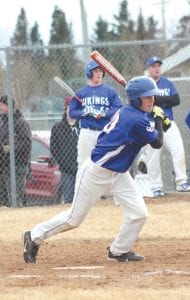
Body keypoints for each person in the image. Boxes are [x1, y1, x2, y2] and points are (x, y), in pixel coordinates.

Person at [22, 76, 167, 264]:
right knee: (73, 219)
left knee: (139, 214)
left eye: (152, 97)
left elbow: (149, 126)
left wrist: (156, 119)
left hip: (118, 173)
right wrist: (159, 120)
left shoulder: (131, 111)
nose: (152, 100)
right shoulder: (135, 119)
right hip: (96, 172)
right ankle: (33, 236)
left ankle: (118, 251)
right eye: (147, 97)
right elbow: (157, 142)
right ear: (136, 99)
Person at [144, 56, 190, 197]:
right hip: (151, 123)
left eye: (159, 65)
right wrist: (163, 100)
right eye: (153, 66)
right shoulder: (144, 83)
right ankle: (156, 187)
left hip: (167, 122)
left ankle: (181, 182)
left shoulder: (167, 83)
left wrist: (158, 101)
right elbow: (144, 103)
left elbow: (176, 100)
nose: (157, 68)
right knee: (153, 156)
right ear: (148, 69)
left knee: (178, 149)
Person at [69, 60, 122, 168]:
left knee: (106, 162)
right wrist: (85, 112)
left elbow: (118, 108)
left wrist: (103, 114)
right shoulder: (81, 93)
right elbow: (72, 113)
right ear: (89, 73)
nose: (99, 73)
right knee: (84, 163)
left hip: (105, 131)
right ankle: (82, 185)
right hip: (87, 132)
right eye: (96, 71)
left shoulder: (110, 91)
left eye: (101, 71)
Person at [0, 95, 32, 207]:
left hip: (18, 166)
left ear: (9, 106)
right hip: (5, 165)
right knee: (7, 200)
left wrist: (9, 148)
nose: (0, 107)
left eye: (2, 105)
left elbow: (26, 143)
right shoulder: (4, 123)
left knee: (16, 198)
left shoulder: (20, 122)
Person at [50, 103, 79, 203]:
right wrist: (63, 163)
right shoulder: (57, 128)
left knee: (83, 197)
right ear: (65, 109)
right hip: (67, 170)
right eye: (69, 108)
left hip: (83, 168)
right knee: (69, 198)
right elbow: (54, 148)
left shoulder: (83, 126)